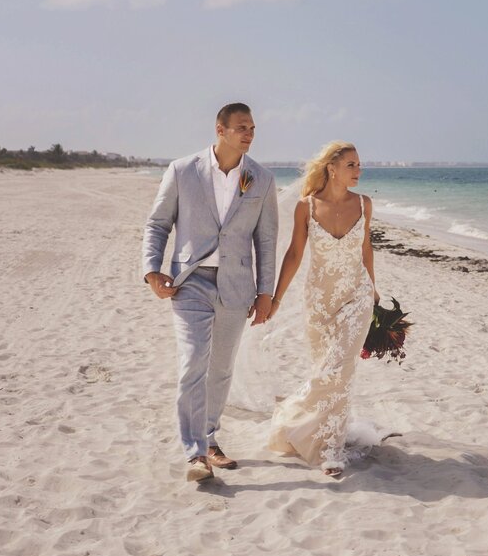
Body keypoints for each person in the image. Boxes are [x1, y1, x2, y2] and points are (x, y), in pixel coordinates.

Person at [141, 103, 279, 483]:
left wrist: (266, 292)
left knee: (220, 370)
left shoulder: (261, 179)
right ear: (220, 130)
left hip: (237, 286)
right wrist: (152, 270)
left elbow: (266, 241)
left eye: (252, 127)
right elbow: (157, 223)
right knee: (192, 364)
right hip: (190, 282)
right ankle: (195, 454)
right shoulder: (183, 170)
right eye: (240, 127)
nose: (249, 133)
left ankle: (210, 438)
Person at [266, 141, 379, 477]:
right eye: (351, 165)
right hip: (318, 301)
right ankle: (298, 419)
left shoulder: (364, 204)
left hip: (356, 295)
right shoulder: (307, 207)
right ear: (332, 167)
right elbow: (294, 255)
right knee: (326, 370)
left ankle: (330, 448)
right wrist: (276, 298)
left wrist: (372, 290)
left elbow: (366, 249)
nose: (359, 171)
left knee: (341, 369)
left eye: (359, 165)